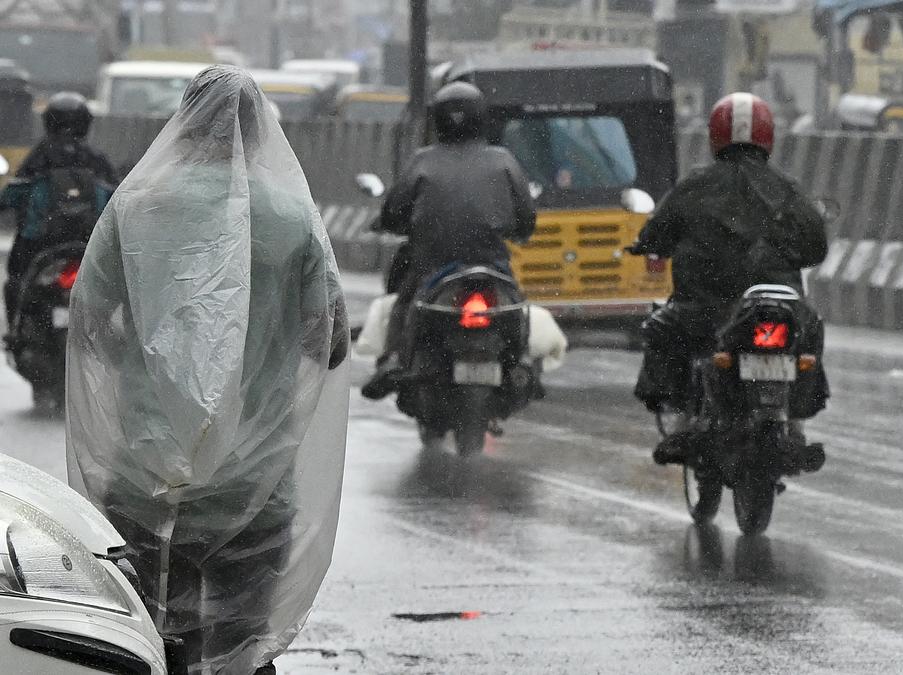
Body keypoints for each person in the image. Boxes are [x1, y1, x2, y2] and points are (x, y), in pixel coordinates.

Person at [65, 66, 350, 675]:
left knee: (143, 640)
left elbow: (89, 322)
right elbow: (332, 342)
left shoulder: (136, 207)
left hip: (146, 476)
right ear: (258, 127)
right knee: (239, 648)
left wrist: (150, 364)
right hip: (256, 484)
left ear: (183, 122)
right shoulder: (292, 218)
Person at [630, 92, 829, 463]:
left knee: (659, 329)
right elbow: (815, 246)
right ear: (768, 136)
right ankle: (798, 420)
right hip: (778, 308)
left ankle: (681, 421)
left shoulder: (694, 186)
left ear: (715, 135)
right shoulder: (787, 189)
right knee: (811, 330)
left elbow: (657, 234)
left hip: (705, 312)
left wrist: (646, 245)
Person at [361, 81, 536, 399]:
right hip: (491, 261)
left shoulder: (422, 160)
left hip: (433, 263)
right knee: (516, 304)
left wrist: (390, 223)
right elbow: (526, 217)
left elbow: (394, 212)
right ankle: (522, 362)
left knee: (404, 299)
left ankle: (392, 360)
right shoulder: (503, 160)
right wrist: (518, 231)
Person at [0, 92, 117, 326]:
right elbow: (118, 200)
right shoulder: (96, 159)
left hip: (37, 243)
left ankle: (14, 331)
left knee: (16, 280)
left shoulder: (38, 158)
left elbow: (12, 196)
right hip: (88, 243)